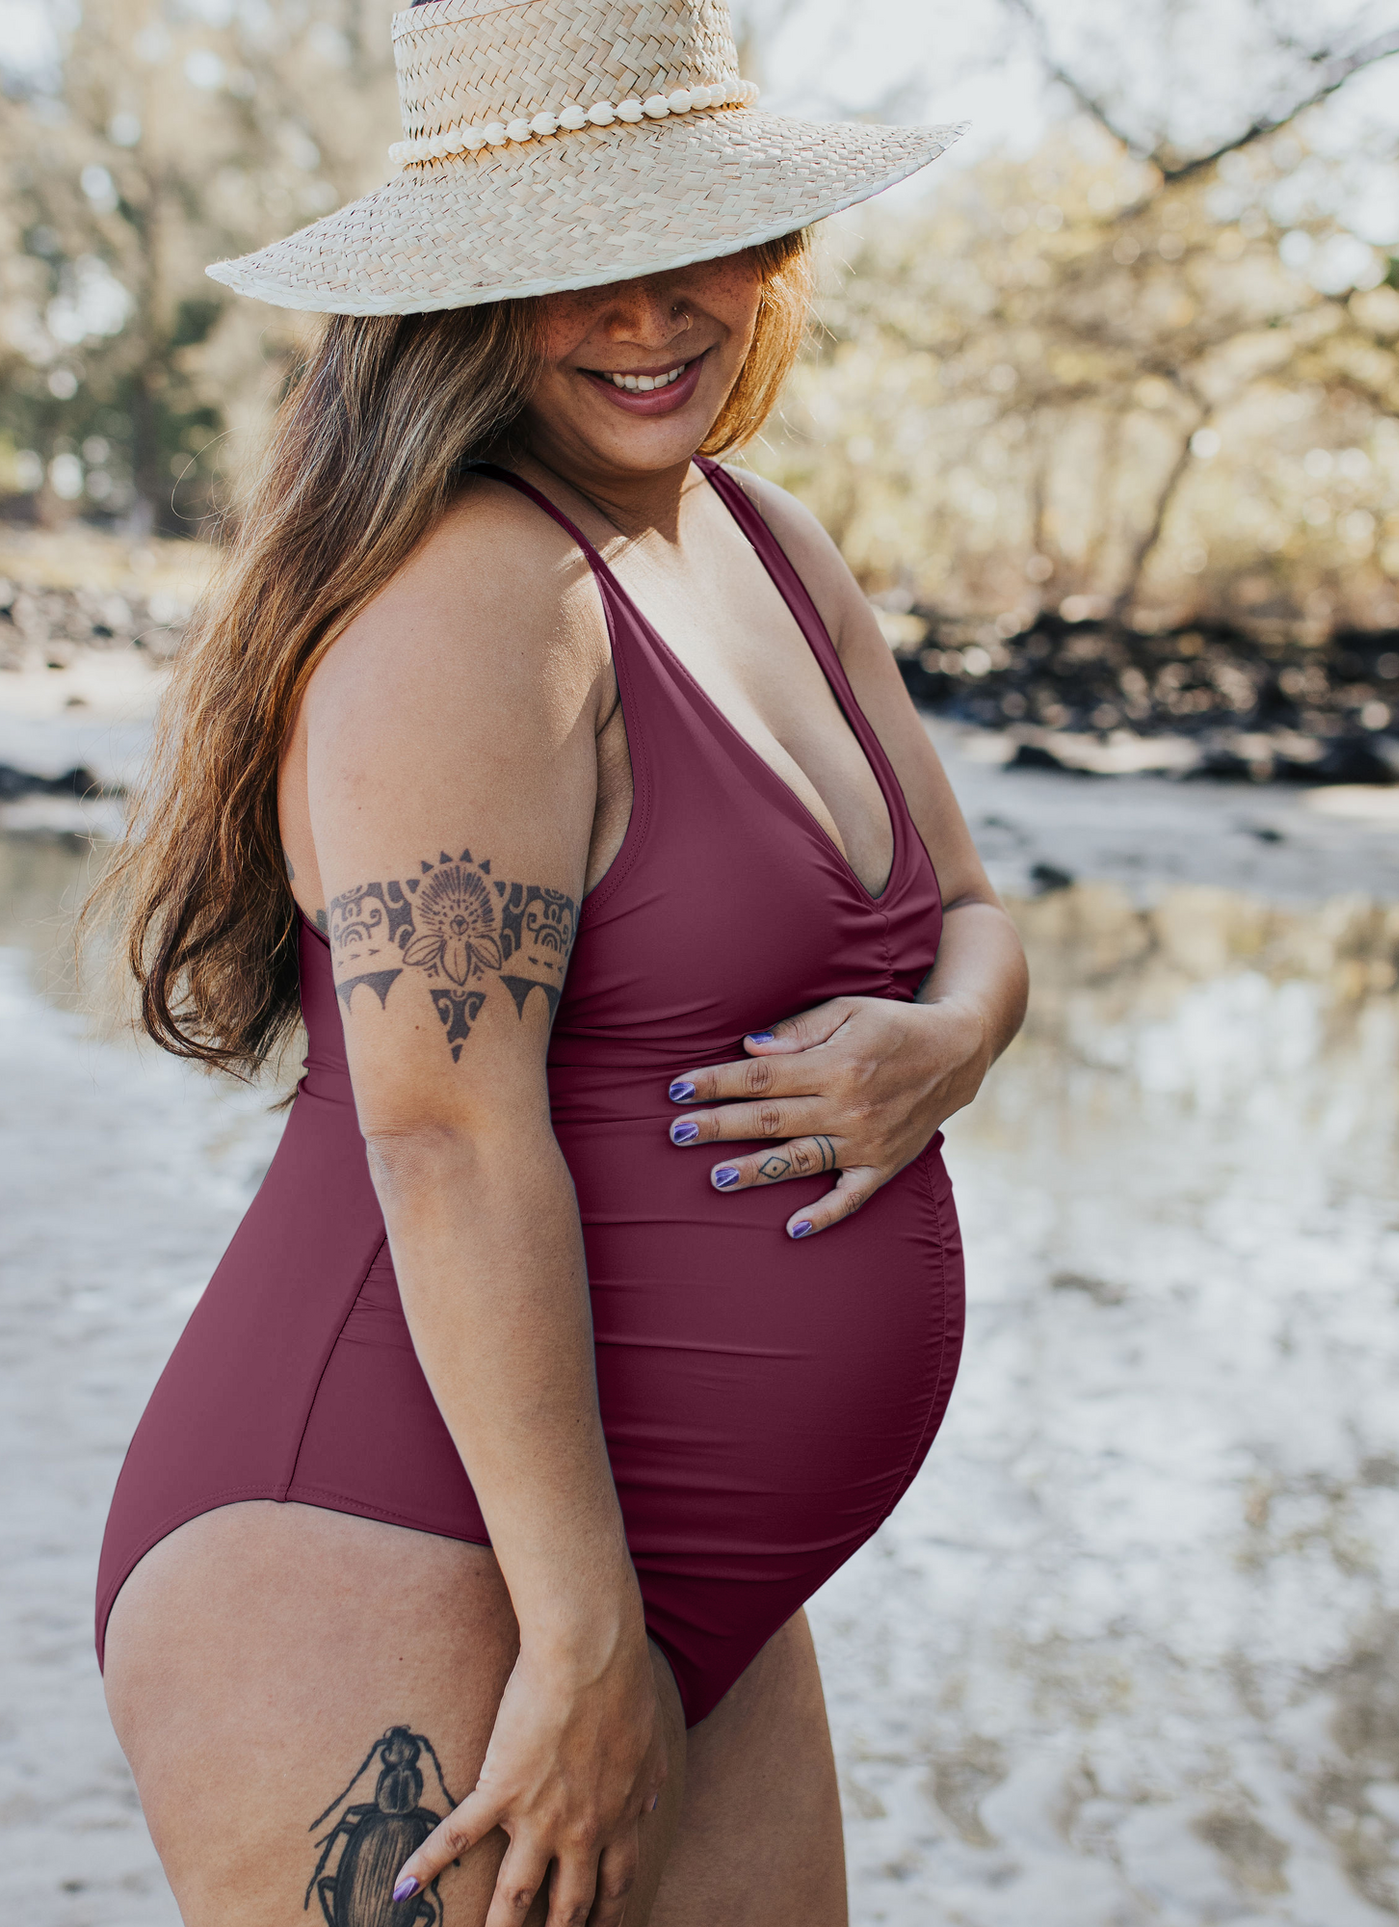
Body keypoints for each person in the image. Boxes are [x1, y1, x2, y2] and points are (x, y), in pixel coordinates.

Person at [92, 1, 1027, 1921]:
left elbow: (976, 909)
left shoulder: (770, 547)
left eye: (692, 240)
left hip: (672, 1571)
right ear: (469, 298)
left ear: (773, 247)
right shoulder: (477, 603)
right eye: (573, 266)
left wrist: (949, 1044)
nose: (646, 313)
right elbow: (442, 1137)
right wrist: (587, 1637)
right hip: (404, 1538)